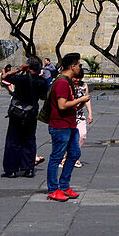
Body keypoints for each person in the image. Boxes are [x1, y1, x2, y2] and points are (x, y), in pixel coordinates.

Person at [45, 53, 90, 202]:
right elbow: (62, 105)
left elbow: (69, 104)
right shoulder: (62, 83)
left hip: (70, 124)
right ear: (73, 66)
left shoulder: (67, 81)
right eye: (78, 65)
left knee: (75, 153)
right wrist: (81, 99)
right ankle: (53, 189)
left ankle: (64, 185)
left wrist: (80, 103)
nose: (79, 68)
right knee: (57, 157)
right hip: (60, 125)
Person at [1, 57, 47, 179]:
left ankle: (11, 170)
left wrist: (18, 70)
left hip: (17, 112)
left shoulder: (21, 78)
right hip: (31, 112)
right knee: (29, 140)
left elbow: (4, 77)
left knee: (13, 140)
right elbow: (43, 97)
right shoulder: (41, 81)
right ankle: (29, 169)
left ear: (27, 66)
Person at [71, 67, 94, 168]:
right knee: (67, 137)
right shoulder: (68, 85)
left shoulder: (84, 85)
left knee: (82, 135)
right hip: (69, 114)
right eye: (75, 78)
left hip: (80, 114)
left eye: (79, 78)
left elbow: (87, 99)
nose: (77, 80)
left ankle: (75, 156)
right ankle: (64, 157)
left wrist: (90, 113)